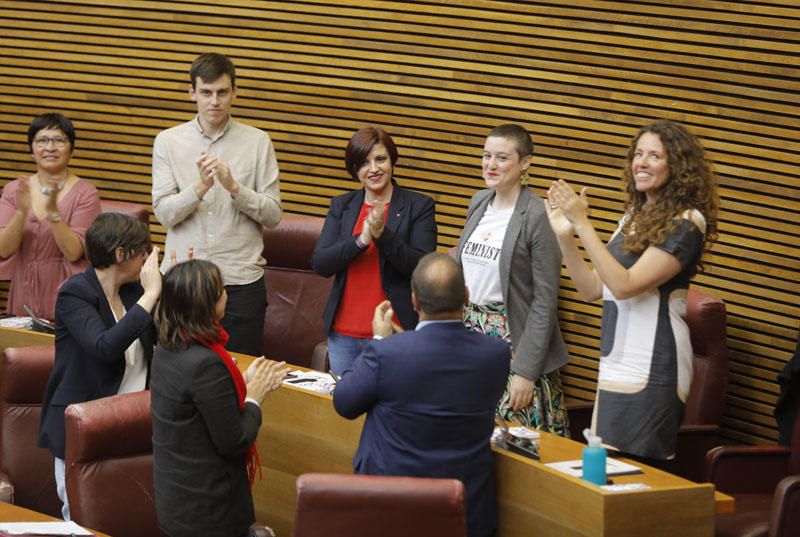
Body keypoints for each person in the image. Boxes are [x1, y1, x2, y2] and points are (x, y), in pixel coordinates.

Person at [547, 119, 719, 460]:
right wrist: (565, 235)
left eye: (654, 155)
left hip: (654, 366)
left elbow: (624, 287)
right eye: (638, 154)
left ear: (678, 166)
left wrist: (583, 224)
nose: (641, 162)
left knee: (633, 476)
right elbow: (592, 288)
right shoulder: (633, 217)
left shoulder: (687, 222)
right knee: (603, 475)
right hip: (616, 363)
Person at [333, 252, 510, 537]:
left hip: (390, 510)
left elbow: (345, 403)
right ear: (466, 295)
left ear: (414, 301)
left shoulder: (387, 353)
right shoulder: (496, 354)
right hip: (464, 510)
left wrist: (380, 340)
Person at [152, 52, 282, 356]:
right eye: (206, 93)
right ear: (192, 93)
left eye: (222, 92)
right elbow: (164, 214)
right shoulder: (168, 142)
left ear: (234, 92)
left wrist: (234, 187)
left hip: (240, 281)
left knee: (238, 376)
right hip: (184, 281)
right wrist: (200, 187)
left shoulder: (258, 141)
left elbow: (274, 215)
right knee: (178, 375)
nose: (215, 101)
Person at [150, 259, 288, 537]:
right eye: (222, 290)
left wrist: (240, 384)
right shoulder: (205, 363)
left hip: (176, 500)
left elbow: (199, 406)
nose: (227, 294)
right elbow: (233, 441)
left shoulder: (167, 348)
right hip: (208, 511)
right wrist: (254, 399)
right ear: (207, 305)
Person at [38, 212, 160, 520]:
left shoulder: (134, 292)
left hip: (132, 425)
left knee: (132, 512)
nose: (147, 259)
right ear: (121, 254)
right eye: (143, 250)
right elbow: (104, 347)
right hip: (84, 427)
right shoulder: (76, 293)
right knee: (82, 519)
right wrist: (153, 294)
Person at [455, 124, 570, 435]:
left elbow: (545, 300)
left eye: (502, 158)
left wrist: (526, 372)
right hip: (470, 336)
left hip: (513, 342)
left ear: (525, 163)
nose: (490, 165)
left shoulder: (537, 215)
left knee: (511, 440)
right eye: (486, 155)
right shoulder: (478, 202)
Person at [311, 126, 437, 375]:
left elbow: (423, 267)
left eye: (380, 159)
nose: (374, 169)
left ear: (392, 160)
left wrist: (382, 236)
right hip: (343, 334)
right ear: (355, 169)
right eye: (364, 163)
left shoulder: (419, 206)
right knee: (345, 408)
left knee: (394, 408)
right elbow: (321, 263)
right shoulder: (342, 205)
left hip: (396, 331)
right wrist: (361, 240)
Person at [0, 112, 101, 321]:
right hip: (23, 290)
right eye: (42, 140)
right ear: (31, 150)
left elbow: (74, 252)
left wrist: (54, 214)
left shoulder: (86, 193)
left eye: (59, 140)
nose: (50, 148)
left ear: (71, 149)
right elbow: (4, 249)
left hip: (66, 290)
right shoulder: (14, 190)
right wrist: (20, 212)